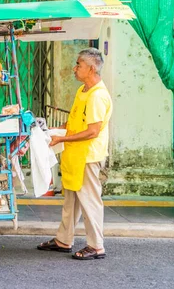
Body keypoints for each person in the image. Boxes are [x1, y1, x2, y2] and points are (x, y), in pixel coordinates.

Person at [37, 48, 112, 260]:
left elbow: (92, 131)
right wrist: (56, 131)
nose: (75, 68)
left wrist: (62, 139)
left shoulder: (97, 96)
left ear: (92, 68)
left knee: (90, 202)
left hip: (87, 156)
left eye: (79, 64)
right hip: (74, 155)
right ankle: (63, 240)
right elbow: (74, 121)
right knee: (71, 202)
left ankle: (96, 246)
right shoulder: (83, 91)